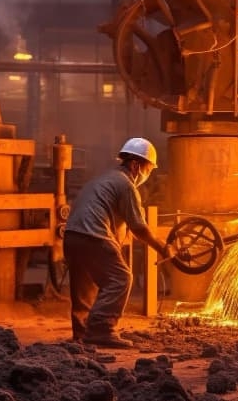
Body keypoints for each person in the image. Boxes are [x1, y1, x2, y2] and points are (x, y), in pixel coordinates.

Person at [63, 137, 172, 348]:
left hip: (72, 236)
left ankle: (82, 333)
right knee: (120, 278)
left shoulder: (104, 179)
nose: (148, 175)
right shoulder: (126, 184)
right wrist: (162, 247)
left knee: (84, 286)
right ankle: (102, 330)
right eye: (148, 169)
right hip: (93, 235)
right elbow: (139, 228)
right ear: (135, 165)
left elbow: (120, 222)